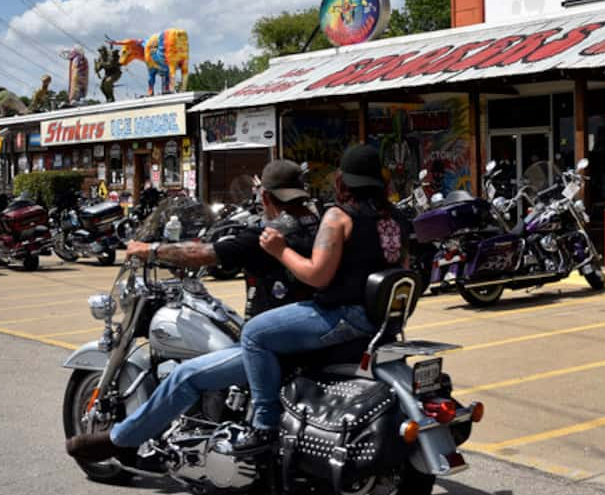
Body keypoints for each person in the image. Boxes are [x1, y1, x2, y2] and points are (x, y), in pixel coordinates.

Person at [64, 160, 317, 463]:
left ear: (265, 198)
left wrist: (150, 250)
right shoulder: (321, 227)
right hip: (312, 336)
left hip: (276, 348)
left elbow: (202, 254)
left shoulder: (266, 238)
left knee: (185, 376)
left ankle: (120, 440)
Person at [230, 144, 410, 456]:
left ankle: (263, 426)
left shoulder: (339, 217)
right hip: (382, 321)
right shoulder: (398, 218)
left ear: (343, 181)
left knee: (254, 334)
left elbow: (317, 276)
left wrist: (280, 250)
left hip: (343, 317)